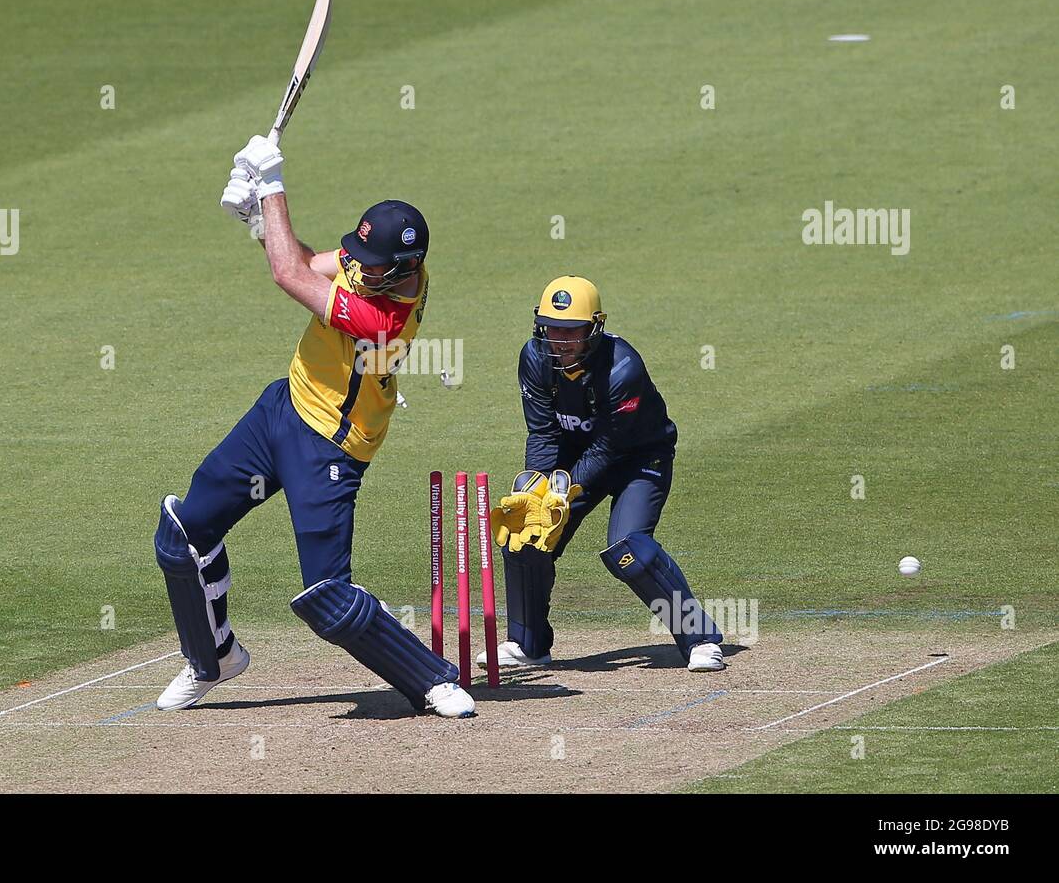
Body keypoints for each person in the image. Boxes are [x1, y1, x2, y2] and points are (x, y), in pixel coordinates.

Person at [151, 135, 473, 717]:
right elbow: (300, 261)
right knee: (182, 533)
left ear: (406, 268)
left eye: (372, 266)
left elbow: (286, 276)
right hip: (281, 409)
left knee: (326, 598)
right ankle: (212, 658)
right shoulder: (369, 268)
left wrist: (271, 185)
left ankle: (430, 678)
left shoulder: (384, 318)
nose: (357, 268)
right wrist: (256, 216)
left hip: (330, 444)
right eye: (358, 257)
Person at [482, 275, 726, 672]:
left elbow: (610, 446)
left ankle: (699, 639)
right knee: (527, 535)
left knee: (628, 549)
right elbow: (542, 432)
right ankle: (529, 645)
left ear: (593, 328)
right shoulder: (534, 358)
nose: (559, 340)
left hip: (639, 458)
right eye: (551, 328)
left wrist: (563, 492)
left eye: (570, 331)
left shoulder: (623, 368)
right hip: (576, 454)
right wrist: (539, 490)